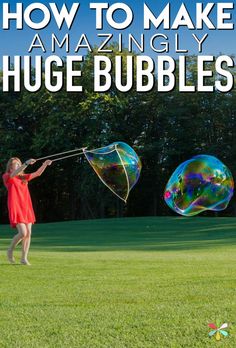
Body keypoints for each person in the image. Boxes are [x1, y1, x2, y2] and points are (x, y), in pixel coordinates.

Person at [2, 157, 52, 265]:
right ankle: (10, 250)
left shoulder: (23, 177)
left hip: (26, 206)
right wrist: (26, 163)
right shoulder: (7, 176)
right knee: (23, 233)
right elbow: (13, 174)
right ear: (10, 167)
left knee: (28, 233)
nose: (18, 166)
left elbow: (37, 173)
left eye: (19, 164)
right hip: (16, 206)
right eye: (16, 164)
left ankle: (24, 259)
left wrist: (45, 165)